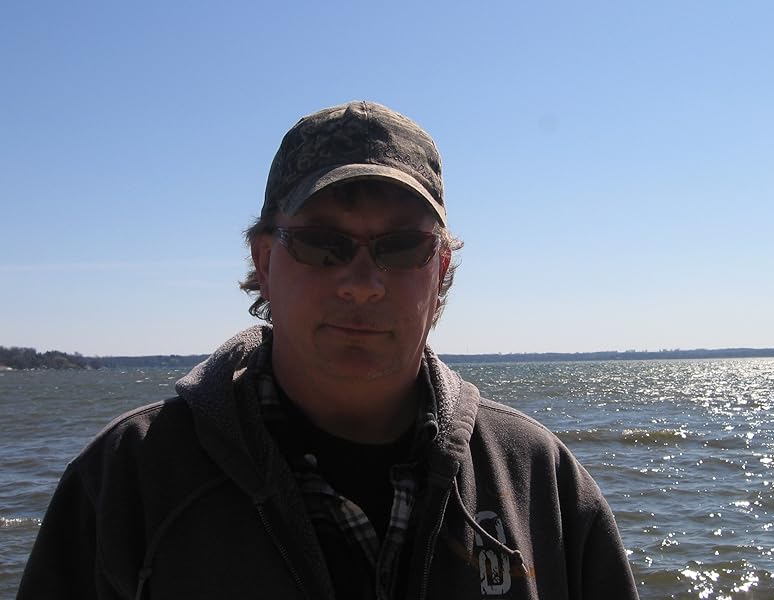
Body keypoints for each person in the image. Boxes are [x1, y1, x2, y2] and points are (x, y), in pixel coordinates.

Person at [18, 101, 639, 599]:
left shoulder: (539, 482)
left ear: (441, 269)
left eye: (402, 247)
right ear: (264, 261)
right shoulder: (128, 480)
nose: (362, 284)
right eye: (322, 244)